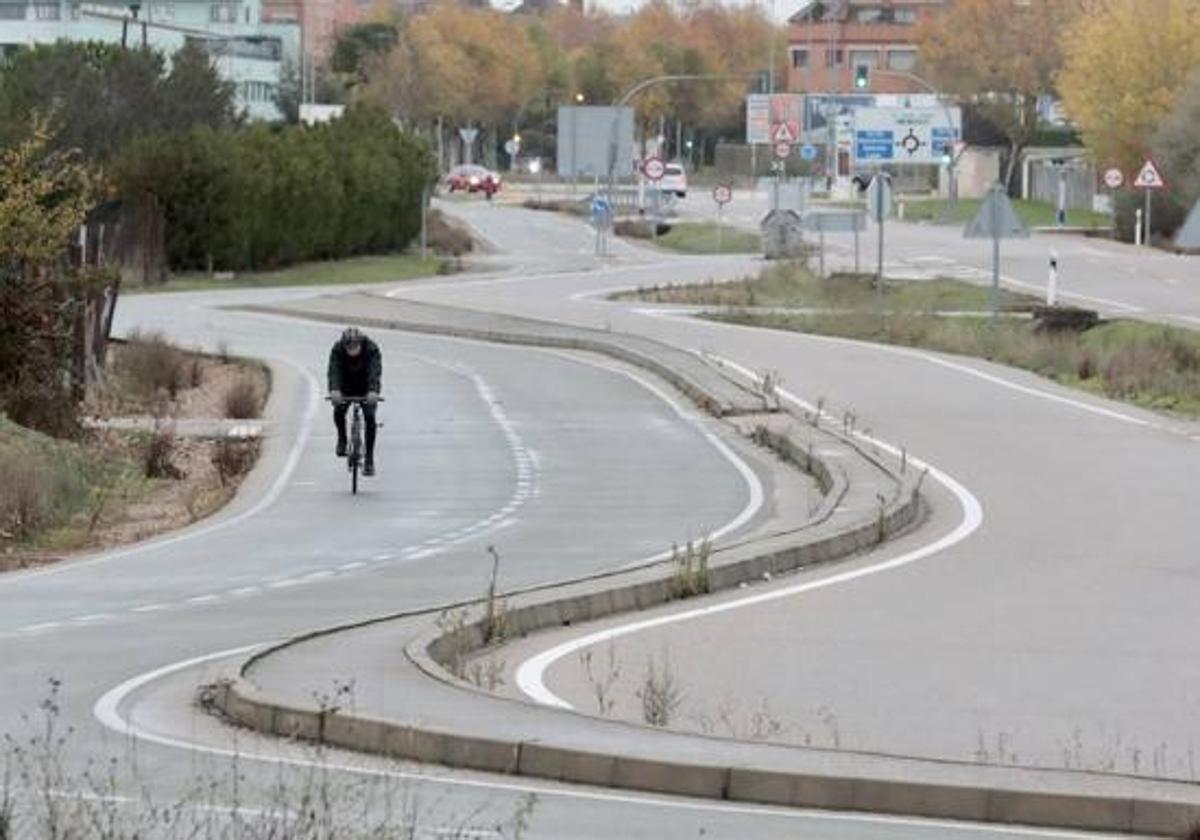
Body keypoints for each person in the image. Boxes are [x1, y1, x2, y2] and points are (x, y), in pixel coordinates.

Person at [327, 327, 382, 476]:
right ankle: (342, 438)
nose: (352, 350)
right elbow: (334, 371)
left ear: (361, 343)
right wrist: (334, 390)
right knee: (339, 410)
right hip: (345, 385)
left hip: (366, 386)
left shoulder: (371, 349)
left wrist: (373, 391)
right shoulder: (337, 349)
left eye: (355, 347)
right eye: (348, 348)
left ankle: (369, 459)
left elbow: (374, 371)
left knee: (370, 417)